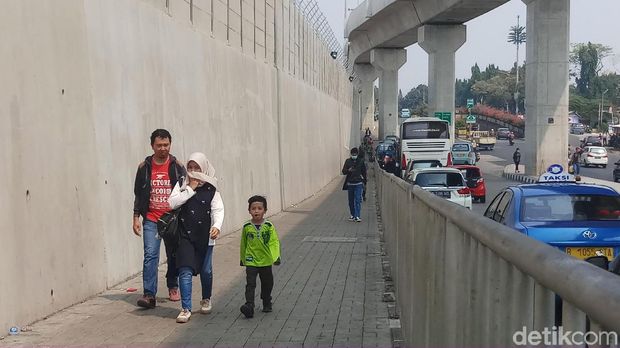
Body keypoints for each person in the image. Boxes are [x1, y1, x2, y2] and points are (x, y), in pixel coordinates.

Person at [168, 152, 224, 323]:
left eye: (196, 168)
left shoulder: (211, 188)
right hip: (185, 235)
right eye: (190, 167)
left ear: (204, 168)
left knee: (206, 271)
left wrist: (216, 226)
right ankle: (186, 308)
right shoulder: (181, 184)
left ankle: (206, 298)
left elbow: (218, 210)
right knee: (184, 270)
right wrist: (190, 189)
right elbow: (172, 203)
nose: (192, 171)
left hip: (205, 237)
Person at [133, 129, 185, 308]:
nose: (163, 148)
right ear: (152, 146)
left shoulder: (177, 166)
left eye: (166, 145)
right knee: (150, 256)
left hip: (171, 219)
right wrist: (136, 217)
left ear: (170, 144)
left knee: (173, 255)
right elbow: (139, 194)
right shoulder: (144, 167)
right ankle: (149, 295)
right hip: (151, 219)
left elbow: (185, 192)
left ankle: (172, 285)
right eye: (159, 145)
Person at [240, 196, 281, 318]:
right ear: (249, 210)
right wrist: (242, 258)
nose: (256, 211)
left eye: (259, 208)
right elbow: (243, 244)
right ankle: (249, 305)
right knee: (250, 284)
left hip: (266, 260)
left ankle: (266, 301)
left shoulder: (268, 226)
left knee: (267, 283)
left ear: (265, 210)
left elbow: (274, 242)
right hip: (251, 260)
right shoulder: (247, 226)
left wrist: (276, 257)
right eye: (253, 208)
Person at [342, 148, 367, 222]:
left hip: (358, 183)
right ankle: (352, 215)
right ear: (351, 154)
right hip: (350, 184)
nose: (354, 155)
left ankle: (357, 216)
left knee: (357, 200)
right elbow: (343, 171)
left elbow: (364, 172)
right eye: (353, 154)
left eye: (355, 154)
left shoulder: (361, 161)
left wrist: (364, 182)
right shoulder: (348, 161)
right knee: (351, 201)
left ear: (357, 154)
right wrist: (348, 170)